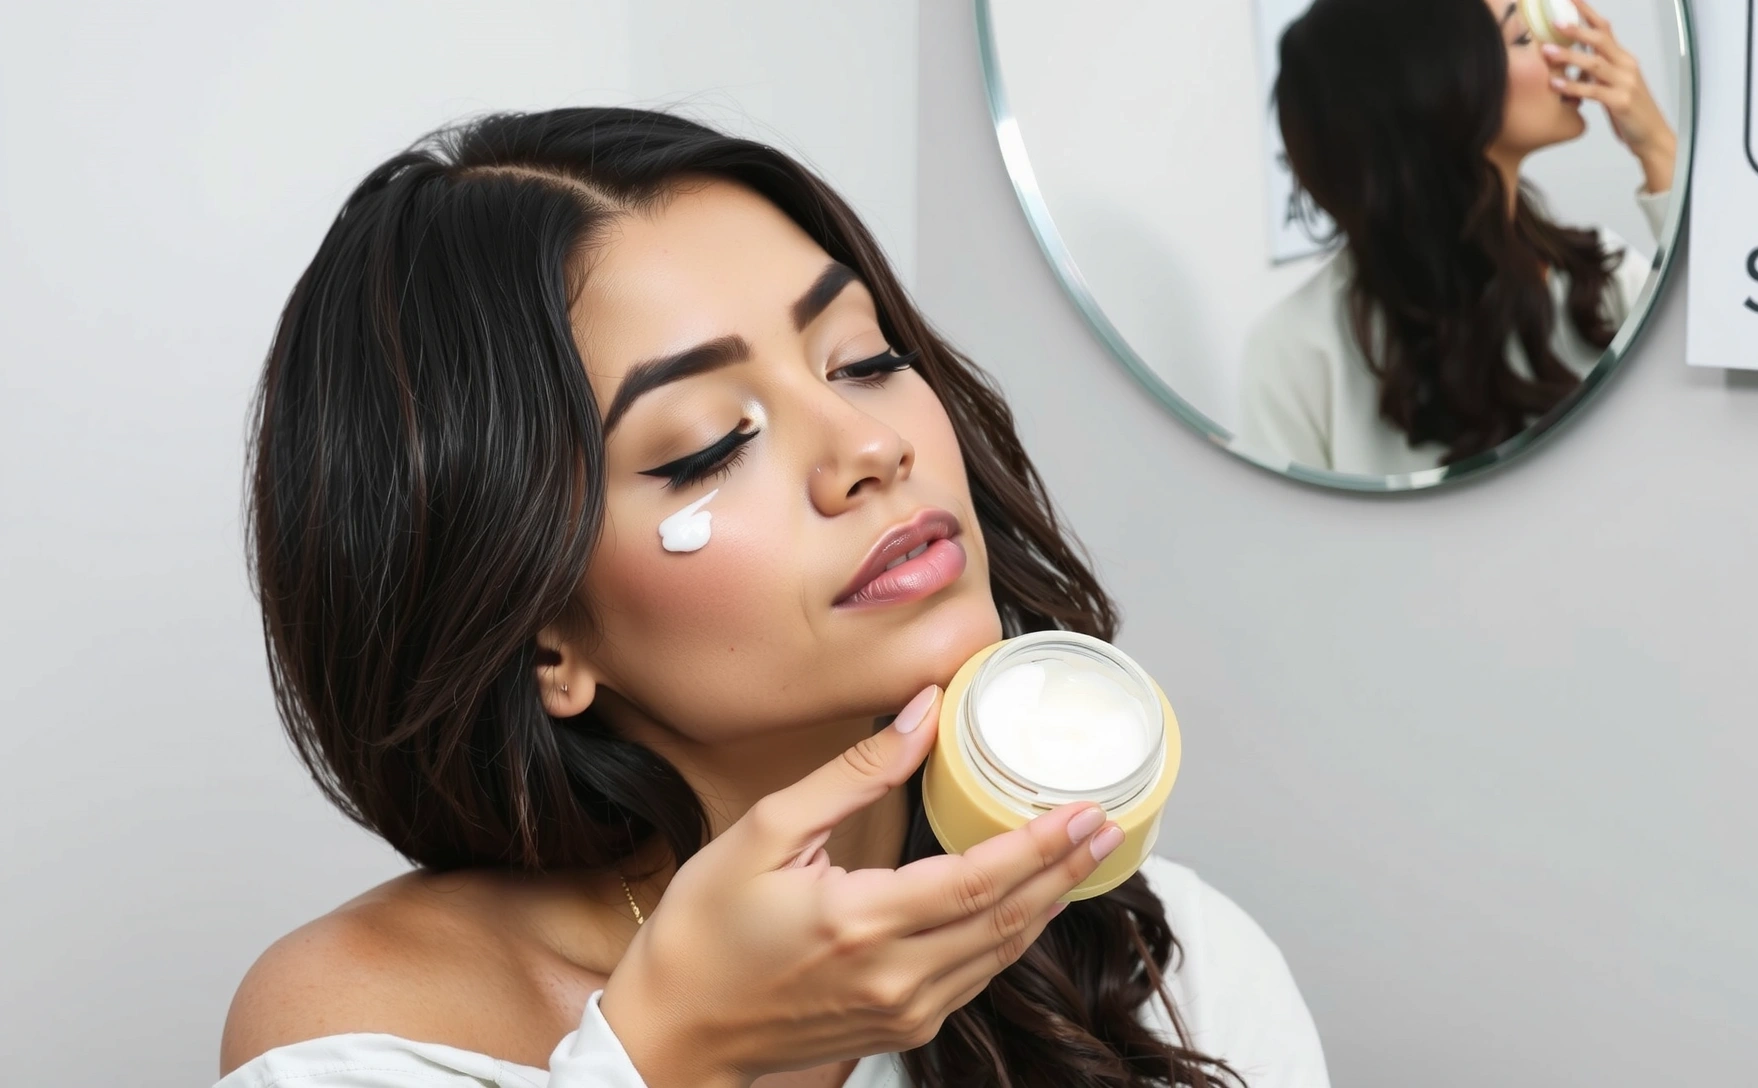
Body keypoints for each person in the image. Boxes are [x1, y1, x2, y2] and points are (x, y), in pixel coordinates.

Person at [215, 108, 1330, 1088]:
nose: (871, 445)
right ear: (541, 633)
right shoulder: (360, 1021)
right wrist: (676, 1052)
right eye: (709, 444)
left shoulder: (1166, 966)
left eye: (861, 359)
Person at [1236, 0, 1676, 475]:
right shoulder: (1298, 353)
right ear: (1436, 90)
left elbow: (1717, 392)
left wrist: (1658, 147)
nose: (1562, 50)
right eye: (1523, 39)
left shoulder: (1598, 275)